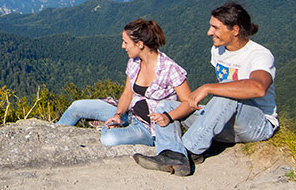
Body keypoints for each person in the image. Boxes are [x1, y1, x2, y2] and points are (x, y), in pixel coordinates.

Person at [133, 1, 278, 176]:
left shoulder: (259, 55)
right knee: (165, 106)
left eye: (215, 28)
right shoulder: (218, 51)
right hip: (227, 124)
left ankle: (187, 150)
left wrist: (208, 87)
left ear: (235, 30)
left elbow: (259, 88)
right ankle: (171, 153)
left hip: (257, 125)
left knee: (224, 94)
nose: (209, 32)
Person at [56, 18, 194, 153]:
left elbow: (189, 103)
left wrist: (169, 117)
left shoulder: (170, 69)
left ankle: (106, 126)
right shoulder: (134, 62)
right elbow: (128, 93)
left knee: (109, 139)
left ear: (140, 44)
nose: (123, 46)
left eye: (126, 42)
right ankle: (53, 137)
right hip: (128, 113)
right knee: (76, 107)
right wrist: (118, 115)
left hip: (147, 127)